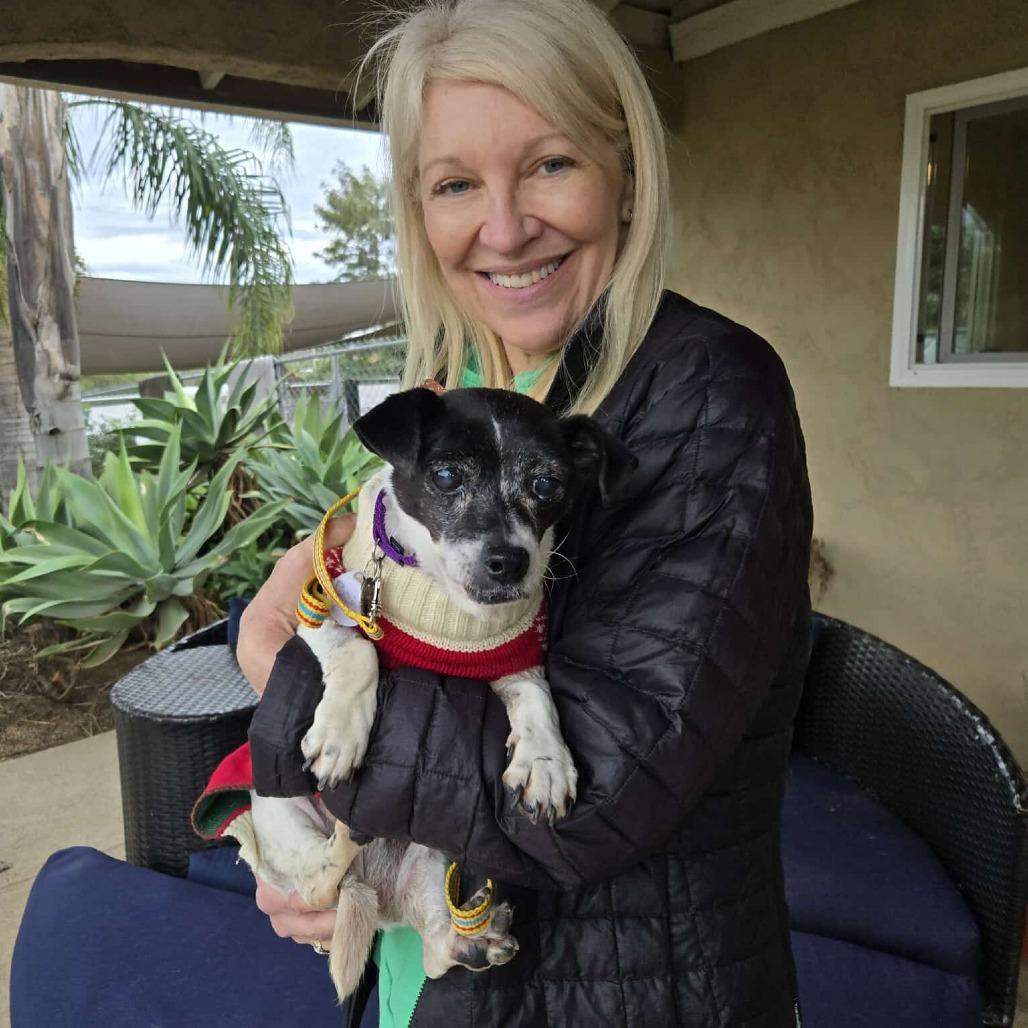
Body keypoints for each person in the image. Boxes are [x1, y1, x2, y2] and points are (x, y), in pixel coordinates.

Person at [239, 1, 813, 1025]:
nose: (503, 228)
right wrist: (322, 855)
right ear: (418, 211)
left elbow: (594, 793)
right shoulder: (452, 384)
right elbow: (364, 592)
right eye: (456, 183)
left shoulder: (708, 393)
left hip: (625, 991)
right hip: (439, 976)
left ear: (625, 175)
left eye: (549, 164)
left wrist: (288, 683)